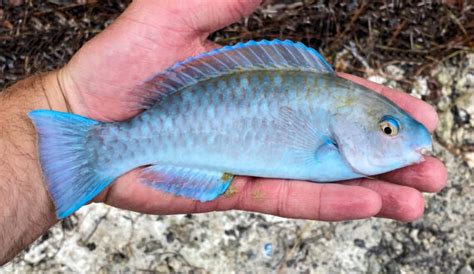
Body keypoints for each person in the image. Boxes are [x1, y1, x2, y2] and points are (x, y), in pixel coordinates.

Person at [0, 0, 447, 265]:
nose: (401, 139)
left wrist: (63, 98)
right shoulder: (333, 126)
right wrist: (66, 99)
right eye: (387, 128)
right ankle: (88, 150)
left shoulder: (338, 117)